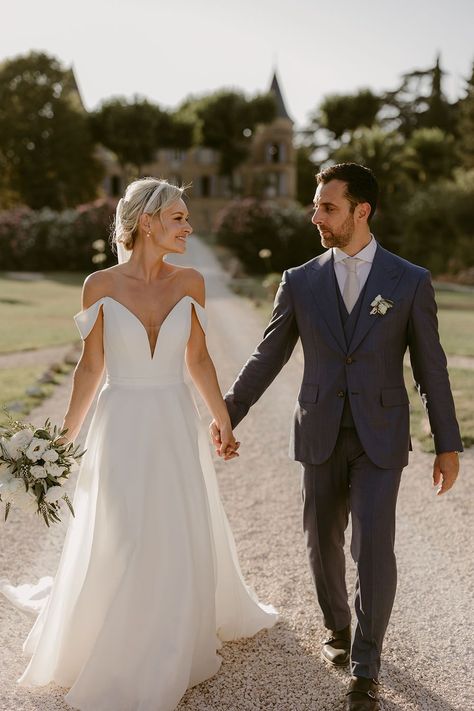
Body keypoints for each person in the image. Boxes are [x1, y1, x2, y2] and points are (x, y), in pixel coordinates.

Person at [1, 177, 276, 711]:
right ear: (146, 223)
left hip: (174, 420)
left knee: (174, 525)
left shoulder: (192, 281)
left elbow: (198, 359)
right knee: (123, 526)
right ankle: (122, 634)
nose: (188, 227)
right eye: (178, 218)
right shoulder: (98, 285)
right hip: (121, 419)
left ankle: (170, 635)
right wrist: (62, 441)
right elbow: (91, 367)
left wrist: (223, 421)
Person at [211, 163, 462, 711]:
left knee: (373, 546)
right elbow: (268, 354)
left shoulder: (409, 281)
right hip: (320, 431)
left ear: (361, 211)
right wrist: (230, 410)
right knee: (321, 543)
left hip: (381, 435)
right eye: (317, 205)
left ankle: (366, 665)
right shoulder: (299, 281)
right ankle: (338, 630)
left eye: (327, 206)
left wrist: (447, 442)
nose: (315, 215)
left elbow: (431, 367)